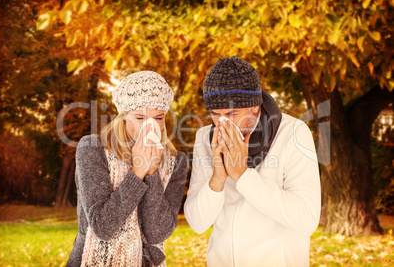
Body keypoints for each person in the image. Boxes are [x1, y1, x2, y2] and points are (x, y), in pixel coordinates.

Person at [184, 56, 321, 266]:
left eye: (231, 113)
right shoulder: (206, 138)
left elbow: (307, 219)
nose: (222, 123)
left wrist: (243, 176)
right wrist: (217, 181)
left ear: (255, 107)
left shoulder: (293, 133)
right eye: (214, 114)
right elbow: (197, 223)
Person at [67, 71, 188, 267]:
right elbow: (102, 227)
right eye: (140, 117)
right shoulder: (92, 149)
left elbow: (157, 233)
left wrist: (152, 172)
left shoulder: (177, 162)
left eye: (158, 118)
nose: (150, 126)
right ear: (123, 117)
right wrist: (138, 171)